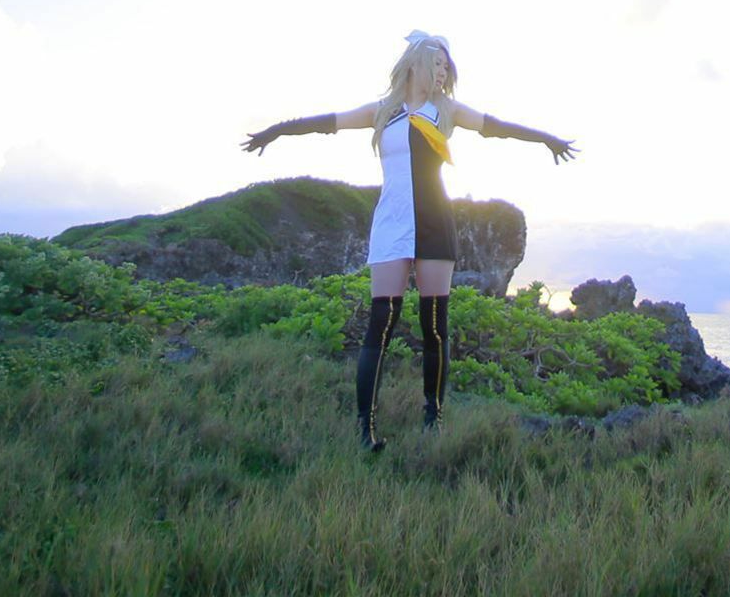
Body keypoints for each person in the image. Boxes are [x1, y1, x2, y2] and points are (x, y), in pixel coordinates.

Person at [241, 30, 578, 452]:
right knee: (379, 325)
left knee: (435, 327)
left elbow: (497, 128)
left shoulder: (447, 111)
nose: (442, 73)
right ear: (417, 62)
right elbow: (327, 123)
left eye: (446, 68)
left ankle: (432, 418)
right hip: (392, 223)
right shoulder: (383, 111)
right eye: (437, 65)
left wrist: (546, 138)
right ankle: (366, 429)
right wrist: (276, 130)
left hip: (436, 221)